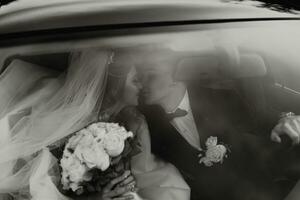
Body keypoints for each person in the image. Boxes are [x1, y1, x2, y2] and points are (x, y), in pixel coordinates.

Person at [0, 48, 190, 200]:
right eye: (135, 79)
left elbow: (145, 170)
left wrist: (127, 186)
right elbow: (39, 183)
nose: (142, 85)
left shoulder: (134, 120)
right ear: (114, 83)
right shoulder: (68, 118)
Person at [136, 47, 300, 200]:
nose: (141, 82)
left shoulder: (221, 98)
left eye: (151, 75)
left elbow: (262, 118)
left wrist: (286, 117)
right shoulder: (146, 124)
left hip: (263, 190)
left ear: (177, 77)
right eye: (140, 75)